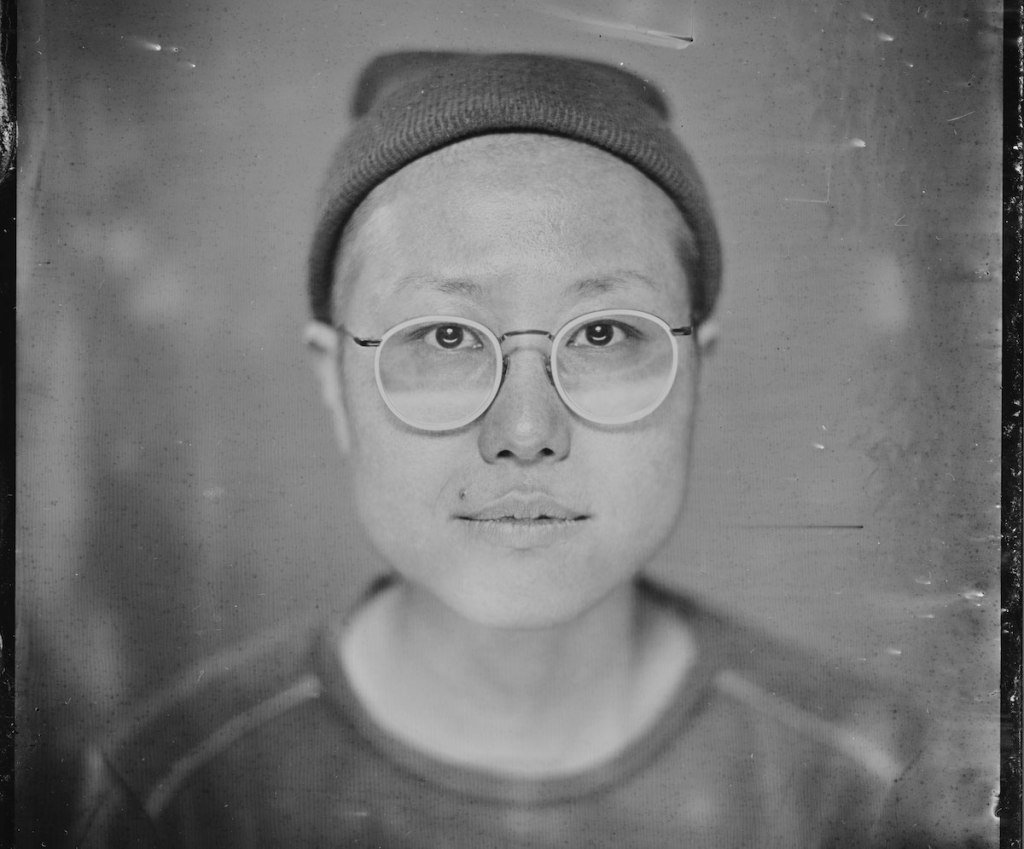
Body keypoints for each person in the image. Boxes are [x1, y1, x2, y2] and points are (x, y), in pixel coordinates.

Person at [70, 51, 987, 848]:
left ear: (696, 373)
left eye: (604, 335)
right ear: (333, 384)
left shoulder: (873, 776)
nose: (524, 432)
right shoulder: (175, 789)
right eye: (443, 337)